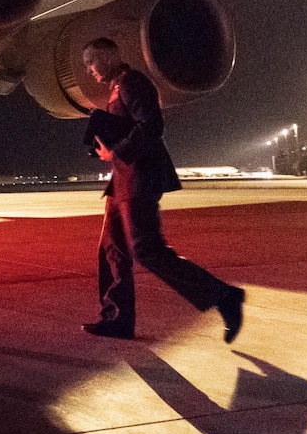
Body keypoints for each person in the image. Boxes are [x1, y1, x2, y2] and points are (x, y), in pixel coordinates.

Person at [80, 37, 245, 342]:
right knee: (112, 250)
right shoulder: (116, 86)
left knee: (147, 250)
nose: (89, 69)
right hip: (122, 181)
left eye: (91, 61)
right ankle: (117, 319)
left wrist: (116, 152)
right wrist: (107, 147)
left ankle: (225, 296)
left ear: (107, 56)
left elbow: (152, 126)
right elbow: (130, 128)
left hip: (140, 179)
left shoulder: (132, 82)